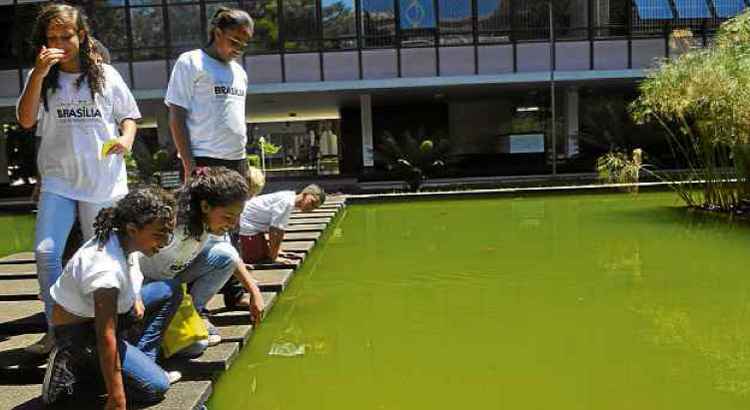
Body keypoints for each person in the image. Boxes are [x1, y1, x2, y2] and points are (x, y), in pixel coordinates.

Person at [16, 3, 141, 355]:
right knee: (46, 253)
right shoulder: (42, 77)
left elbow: (129, 116)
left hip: (102, 183)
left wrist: (127, 139)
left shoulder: (106, 75)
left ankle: (116, 329)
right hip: (58, 180)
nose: (58, 43)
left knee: (103, 258)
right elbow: (26, 121)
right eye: (51, 37)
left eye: (65, 36)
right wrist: (38, 74)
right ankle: (58, 330)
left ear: (81, 36)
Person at [42, 187, 182, 408]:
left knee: (170, 289)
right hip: (81, 335)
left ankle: (139, 363)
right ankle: (70, 365)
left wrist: (136, 295)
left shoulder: (124, 239)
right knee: (155, 388)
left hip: (109, 318)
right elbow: (105, 336)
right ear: (133, 229)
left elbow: (133, 268)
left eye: (168, 233)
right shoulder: (106, 271)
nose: (165, 242)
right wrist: (117, 397)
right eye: (158, 235)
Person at [137, 167, 265, 357]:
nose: (233, 224)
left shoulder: (207, 224)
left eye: (237, 217)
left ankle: (193, 312)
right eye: (228, 217)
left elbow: (232, 258)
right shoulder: (171, 227)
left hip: (171, 282)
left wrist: (254, 292)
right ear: (205, 206)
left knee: (226, 255)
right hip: (146, 289)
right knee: (196, 346)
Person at [165, 7, 254, 181]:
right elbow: (177, 116)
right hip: (203, 161)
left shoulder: (239, 72)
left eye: (244, 45)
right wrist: (190, 166)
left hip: (237, 161)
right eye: (235, 41)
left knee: (237, 210)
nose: (239, 49)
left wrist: (246, 165)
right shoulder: (191, 61)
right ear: (218, 33)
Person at [223, 185, 325, 308]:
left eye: (315, 207)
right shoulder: (287, 202)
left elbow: (276, 229)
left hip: (251, 226)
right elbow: (276, 230)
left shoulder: (288, 197)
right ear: (305, 194)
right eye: (312, 203)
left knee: (265, 253)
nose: (311, 208)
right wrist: (274, 255)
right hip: (245, 226)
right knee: (256, 257)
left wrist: (277, 250)